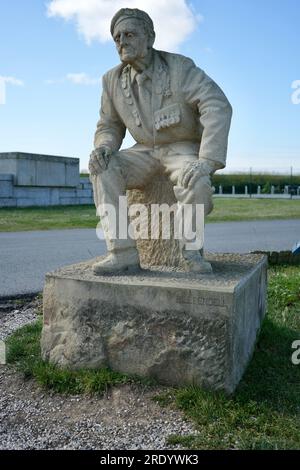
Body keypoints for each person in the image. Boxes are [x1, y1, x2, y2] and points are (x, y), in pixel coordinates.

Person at [89, 8, 232, 274]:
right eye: (117, 38)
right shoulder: (110, 80)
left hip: (181, 149)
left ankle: (190, 252)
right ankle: (122, 254)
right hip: (142, 152)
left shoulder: (180, 68)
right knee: (103, 168)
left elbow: (217, 105)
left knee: (196, 181)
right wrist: (104, 147)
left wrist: (206, 160)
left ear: (150, 37)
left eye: (129, 34)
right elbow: (109, 125)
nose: (122, 42)